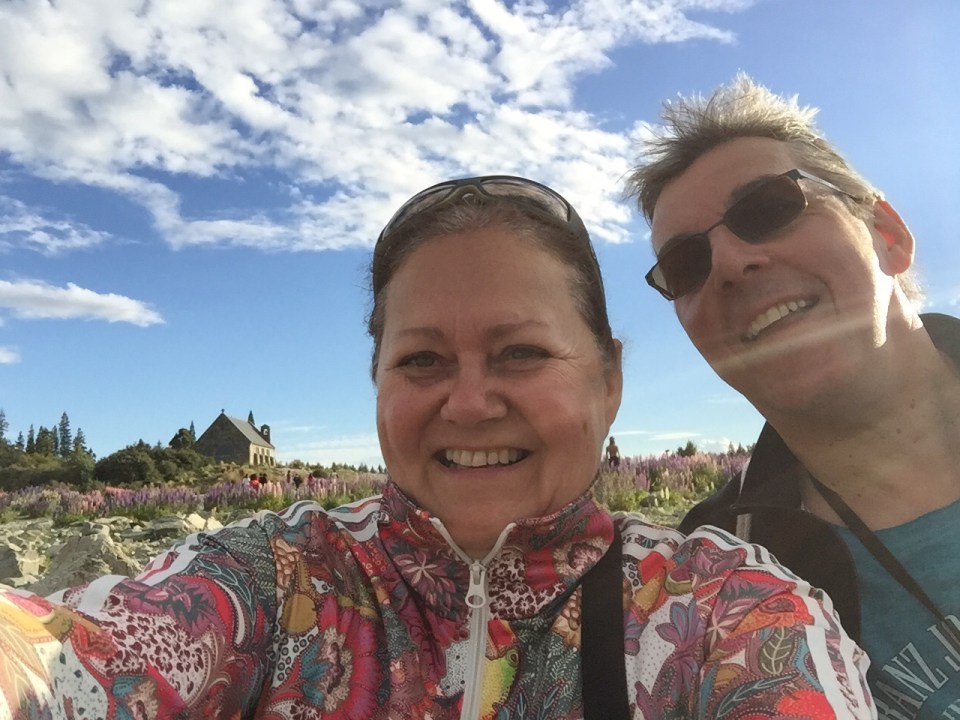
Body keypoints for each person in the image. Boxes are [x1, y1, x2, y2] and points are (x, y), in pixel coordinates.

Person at [0, 175, 874, 720]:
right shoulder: (275, 578)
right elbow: (73, 652)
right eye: (421, 360)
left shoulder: (727, 612)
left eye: (520, 353)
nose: (469, 402)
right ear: (377, 381)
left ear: (609, 380)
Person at [627, 73, 960, 719]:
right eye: (687, 264)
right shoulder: (701, 588)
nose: (729, 262)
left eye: (768, 209)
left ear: (887, 233)